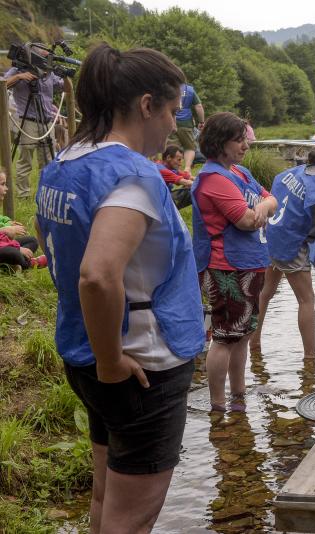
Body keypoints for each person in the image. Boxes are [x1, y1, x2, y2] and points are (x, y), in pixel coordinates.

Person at [34, 44, 206, 532]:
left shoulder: (65, 162)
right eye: (173, 111)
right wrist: (112, 362)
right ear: (147, 105)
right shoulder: (133, 175)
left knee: (107, 494)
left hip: (87, 352)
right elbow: (97, 273)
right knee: (133, 517)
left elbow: (56, 245)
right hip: (138, 364)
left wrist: (103, 360)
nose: (175, 124)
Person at [191, 112, 277, 414]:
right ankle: (218, 404)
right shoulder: (213, 179)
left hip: (248, 262)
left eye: (245, 139)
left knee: (243, 332)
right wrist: (261, 209)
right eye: (238, 139)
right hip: (225, 267)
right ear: (220, 143)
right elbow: (246, 221)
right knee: (226, 335)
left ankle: (238, 396)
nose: (246, 145)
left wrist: (263, 206)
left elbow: (270, 199)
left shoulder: (239, 173)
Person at [251, 136, 315, 359]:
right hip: (292, 242)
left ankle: (254, 342)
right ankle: (310, 359)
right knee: (307, 300)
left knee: (266, 293)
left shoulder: (298, 171)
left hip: (272, 235)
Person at [2, 63, 64, 199]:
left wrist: (65, 75)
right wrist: (19, 76)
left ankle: (46, 194)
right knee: (25, 160)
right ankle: (23, 195)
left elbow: (64, 87)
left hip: (47, 122)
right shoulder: (18, 70)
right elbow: (2, 84)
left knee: (48, 161)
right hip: (27, 121)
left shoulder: (49, 72)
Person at [0, 171, 46, 269]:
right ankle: (30, 264)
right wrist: (17, 247)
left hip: (4, 244)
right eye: (2, 184)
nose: (6, 188)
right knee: (13, 253)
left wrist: (8, 223)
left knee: (32, 240)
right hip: (3, 247)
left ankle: (10, 266)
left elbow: (1, 219)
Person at [171, 82, 205, 174]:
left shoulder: (169, 87)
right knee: (189, 147)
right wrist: (201, 121)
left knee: (171, 146)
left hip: (170, 120)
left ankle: (170, 169)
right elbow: (198, 106)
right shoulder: (189, 90)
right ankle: (187, 168)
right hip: (186, 122)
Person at [155, 145, 193, 210]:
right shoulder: (162, 170)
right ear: (169, 157)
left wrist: (204, 178)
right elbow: (186, 182)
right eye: (179, 160)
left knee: (191, 187)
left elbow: (188, 177)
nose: (180, 164)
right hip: (157, 205)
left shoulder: (166, 165)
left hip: (159, 200)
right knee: (193, 191)